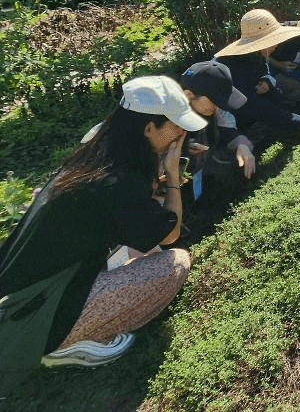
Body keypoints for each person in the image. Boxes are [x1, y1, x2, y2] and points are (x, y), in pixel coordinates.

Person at [0, 77, 206, 385]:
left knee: (144, 248)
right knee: (174, 264)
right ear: (148, 128)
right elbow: (170, 233)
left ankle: (65, 330)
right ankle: (60, 344)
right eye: (175, 126)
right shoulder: (117, 181)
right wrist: (173, 173)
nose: (181, 133)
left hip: (27, 288)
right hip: (39, 309)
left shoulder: (97, 150)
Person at [215, 9, 300, 142]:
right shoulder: (232, 66)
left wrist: (266, 80)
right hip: (228, 118)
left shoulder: (259, 54)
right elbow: (257, 106)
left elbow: (265, 70)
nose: (277, 44)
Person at [179, 60, 256, 199]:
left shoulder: (215, 110)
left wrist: (242, 145)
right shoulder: (164, 119)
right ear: (189, 95)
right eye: (216, 101)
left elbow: (230, 132)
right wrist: (183, 150)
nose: (219, 107)